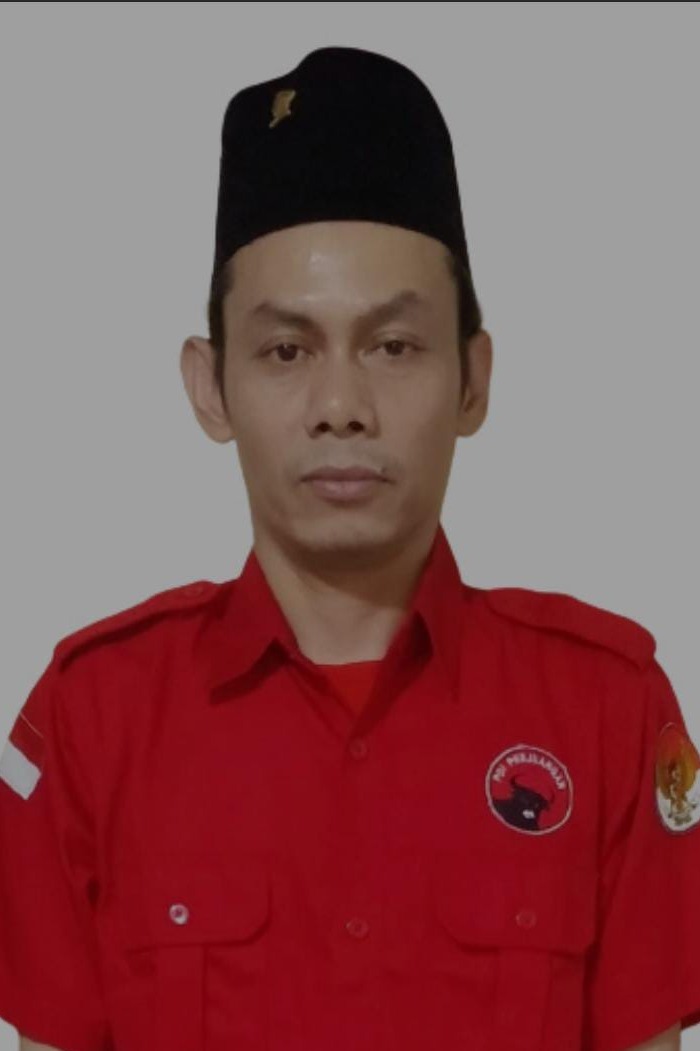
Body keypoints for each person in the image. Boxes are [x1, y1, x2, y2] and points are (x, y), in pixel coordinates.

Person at [0, 44, 698, 1051]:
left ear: (472, 379)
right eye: (286, 349)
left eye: (393, 345)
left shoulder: (608, 711)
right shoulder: (90, 720)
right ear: (210, 387)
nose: (340, 405)